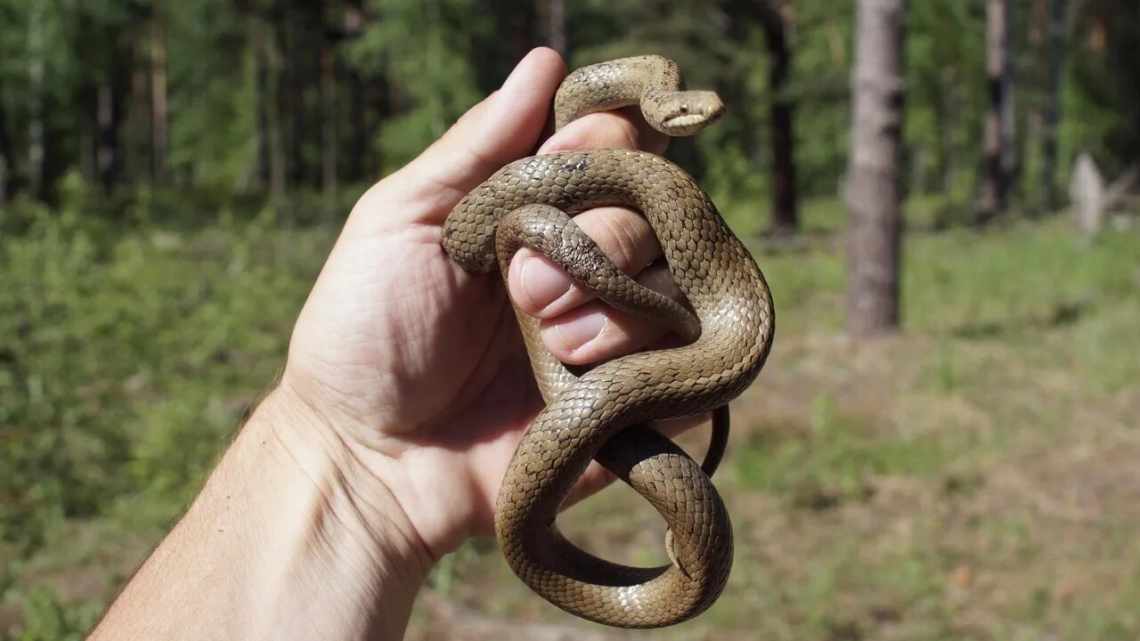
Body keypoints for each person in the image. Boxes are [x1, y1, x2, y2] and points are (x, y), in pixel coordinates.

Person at [88, 48, 702, 641]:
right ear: (662, 104)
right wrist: (343, 447)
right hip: (499, 289)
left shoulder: (652, 98)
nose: (700, 121)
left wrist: (352, 467)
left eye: (698, 116)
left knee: (650, 205)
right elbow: (467, 240)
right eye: (689, 115)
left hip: (542, 358)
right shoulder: (618, 108)